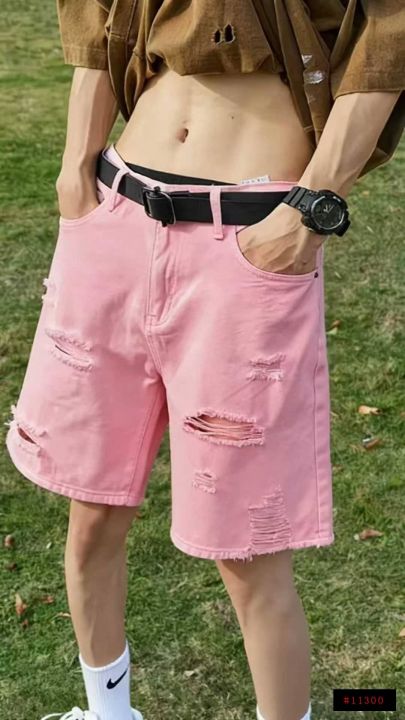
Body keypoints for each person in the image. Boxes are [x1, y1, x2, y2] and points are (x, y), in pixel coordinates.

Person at [5, 2, 405, 720]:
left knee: (246, 547)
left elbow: (389, 37)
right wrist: (73, 170)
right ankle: (107, 713)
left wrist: (309, 210)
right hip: (116, 213)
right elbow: (98, 23)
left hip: (249, 239)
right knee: (91, 513)